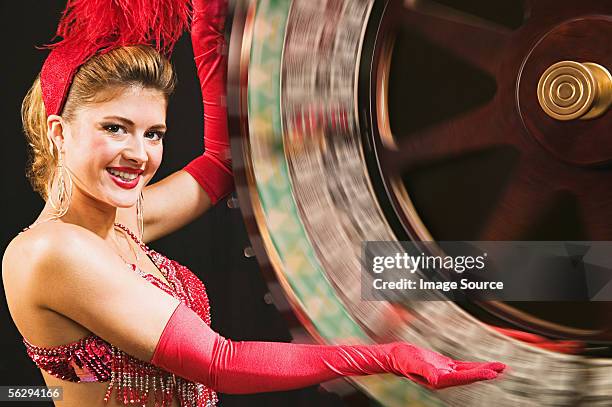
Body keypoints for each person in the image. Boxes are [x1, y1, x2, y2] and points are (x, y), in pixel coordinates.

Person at [1, 0, 506, 406]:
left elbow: (221, 164)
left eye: (153, 133)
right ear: (60, 133)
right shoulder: (51, 253)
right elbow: (220, 362)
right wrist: (389, 356)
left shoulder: (123, 222)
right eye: (115, 128)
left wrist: (206, 42)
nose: (139, 153)